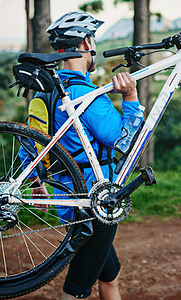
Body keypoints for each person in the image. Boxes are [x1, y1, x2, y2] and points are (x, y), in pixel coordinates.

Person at [29, 11, 141, 300]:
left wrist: (34, 181)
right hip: (97, 200)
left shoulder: (48, 93)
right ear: (85, 43)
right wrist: (131, 97)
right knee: (76, 289)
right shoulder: (85, 94)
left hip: (68, 197)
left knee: (110, 275)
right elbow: (122, 140)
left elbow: (30, 143)